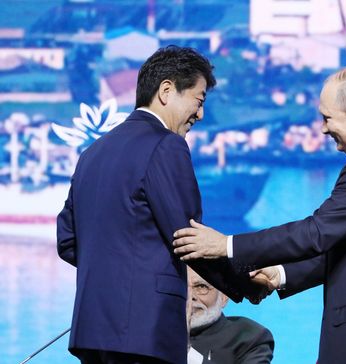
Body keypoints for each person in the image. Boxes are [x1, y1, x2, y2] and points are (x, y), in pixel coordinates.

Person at [173, 65, 346, 363]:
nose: (323, 128)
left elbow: (317, 232)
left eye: (327, 118)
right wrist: (280, 274)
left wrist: (225, 245)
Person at [57, 46, 264, 364]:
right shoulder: (167, 145)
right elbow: (189, 238)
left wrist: (114, 277)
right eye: (199, 100)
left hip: (92, 332)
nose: (200, 114)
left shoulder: (93, 153)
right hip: (147, 332)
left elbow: (67, 241)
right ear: (167, 91)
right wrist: (244, 283)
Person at [187, 268, 274, 364]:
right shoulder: (167, 331)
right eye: (182, 286)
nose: (190, 296)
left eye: (201, 287)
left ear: (224, 297)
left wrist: (187, 353)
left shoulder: (249, 336)